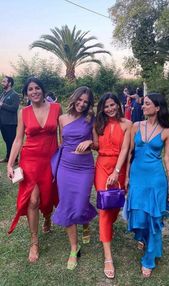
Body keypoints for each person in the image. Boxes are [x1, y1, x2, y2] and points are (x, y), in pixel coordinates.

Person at [7, 77, 62, 263]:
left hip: (51, 160)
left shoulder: (56, 108)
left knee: (48, 196)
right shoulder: (23, 112)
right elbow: (17, 139)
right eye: (30, 89)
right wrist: (10, 163)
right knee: (33, 200)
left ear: (43, 90)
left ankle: (47, 217)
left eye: (37, 88)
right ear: (26, 93)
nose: (34, 91)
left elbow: (63, 136)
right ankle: (34, 241)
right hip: (30, 160)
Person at [126, 92, 169, 277]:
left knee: (154, 218)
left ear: (157, 108)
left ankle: (149, 258)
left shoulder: (168, 130)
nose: (143, 106)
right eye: (143, 103)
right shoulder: (136, 126)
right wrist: (127, 177)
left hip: (156, 179)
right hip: (137, 177)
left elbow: (168, 158)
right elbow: (130, 152)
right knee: (139, 213)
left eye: (147, 104)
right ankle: (144, 238)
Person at [52, 86, 97, 270]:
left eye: (86, 102)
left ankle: (85, 221)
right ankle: (73, 248)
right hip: (65, 167)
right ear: (74, 98)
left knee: (81, 202)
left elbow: (98, 144)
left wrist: (90, 142)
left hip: (84, 167)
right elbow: (61, 142)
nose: (82, 104)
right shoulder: (61, 119)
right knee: (69, 204)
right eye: (80, 100)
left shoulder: (90, 119)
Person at [94, 93, 132, 279]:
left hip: (119, 166)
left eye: (112, 105)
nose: (110, 109)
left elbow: (126, 149)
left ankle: (109, 226)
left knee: (115, 207)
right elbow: (95, 144)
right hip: (101, 166)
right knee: (104, 210)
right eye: (106, 106)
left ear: (118, 105)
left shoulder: (127, 124)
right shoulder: (98, 124)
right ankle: (108, 257)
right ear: (102, 108)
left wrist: (117, 172)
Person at [0, 76, 20, 163]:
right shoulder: (3, 94)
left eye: (4, 82)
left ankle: (15, 159)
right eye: (2, 81)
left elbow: (14, 108)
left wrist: (2, 104)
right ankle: (8, 157)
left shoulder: (14, 94)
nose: (2, 83)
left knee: (11, 141)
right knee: (6, 141)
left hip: (10, 123)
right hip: (2, 122)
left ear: (10, 83)